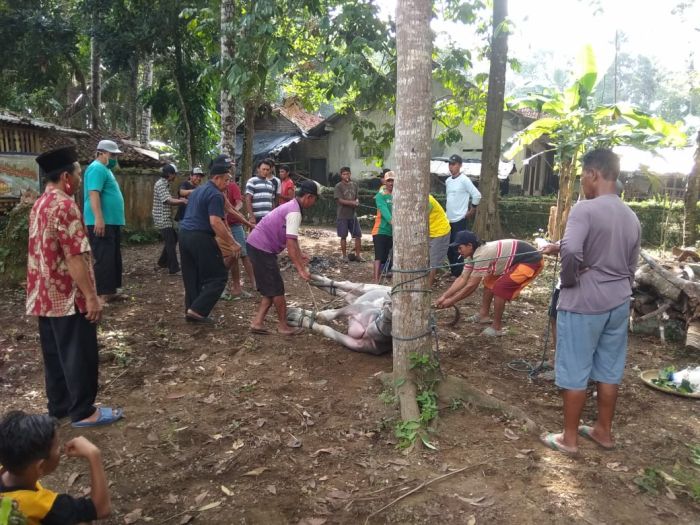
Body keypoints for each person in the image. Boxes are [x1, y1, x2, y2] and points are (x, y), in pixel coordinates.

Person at [540, 149, 641, 456]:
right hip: (618, 301)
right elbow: (630, 265)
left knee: (575, 368)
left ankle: (568, 439)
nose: (582, 181)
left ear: (594, 174)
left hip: (584, 301)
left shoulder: (585, 209)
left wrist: (569, 281)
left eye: (583, 175)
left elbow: (572, 251)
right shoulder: (631, 216)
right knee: (609, 369)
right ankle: (603, 431)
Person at [28, 146, 123, 428]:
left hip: (43, 295)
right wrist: (91, 297)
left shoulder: (39, 204)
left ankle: (59, 407)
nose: (81, 179)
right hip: (67, 296)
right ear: (67, 177)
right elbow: (73, 257)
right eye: (79, 174)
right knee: (79, 353)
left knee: (55, 354)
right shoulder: (66, 206)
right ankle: (83, 411)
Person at [0, 411, 111, 524]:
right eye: (57, 448)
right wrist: (93, 454)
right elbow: (101, 509)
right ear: (41, 466)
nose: (61, 449)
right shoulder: (43, 506)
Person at [436, 231, 544, 337]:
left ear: (469, 245)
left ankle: (496, 328)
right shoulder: (471, 255)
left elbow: (471, 285)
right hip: (510, 261)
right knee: (488, 281)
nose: (458, 251)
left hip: (530, 261)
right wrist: (444, 296)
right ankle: (484, 315)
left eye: (460, 248)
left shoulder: (482, 254)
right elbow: (463, 278)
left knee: (500, 288)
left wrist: (452, 300)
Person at [246, 180, 319, 336]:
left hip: (257, 245)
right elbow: (290, 243)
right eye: (315, 200)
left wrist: (300, 255)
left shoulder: (293, 206)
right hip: (261, 248)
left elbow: (292, 239)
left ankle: (257, 322)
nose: (314, 203)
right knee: (277, 289)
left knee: (270, 288)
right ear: (308, 197)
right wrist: (301, 269)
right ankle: (282, 325)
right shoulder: (294, 212)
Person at [178, 154, 241, 324]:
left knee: (193, 276)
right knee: (218, 276)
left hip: (184, 235)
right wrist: (232, 243)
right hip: (200, 236)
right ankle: (198, 310)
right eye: (226, 180)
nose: (228, 183)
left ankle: (191, 311)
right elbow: (215, 222)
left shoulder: (198, 190)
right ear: (216, 178)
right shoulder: (215, 195)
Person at [82, 139, 126, 304]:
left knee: (113, 257)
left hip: (111, 222)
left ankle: (111, 291)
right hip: (102, 222)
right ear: (102, 153)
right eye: (112, 154)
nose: (115, 157)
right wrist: (99, 218)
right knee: (104, 257)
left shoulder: (105, 169)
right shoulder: (96, 168)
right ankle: (102, 294)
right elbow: (94, 194)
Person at [445, 154, 481, 278]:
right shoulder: (448, 181)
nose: (451, 167)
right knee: (449, 247)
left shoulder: (464, 180)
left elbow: (476, 195)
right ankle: (453, 270)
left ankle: (459, 273)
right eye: (450, 164)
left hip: (460, 218)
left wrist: (472, 209)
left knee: (459, 247)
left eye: (454, 164)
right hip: (448, 219)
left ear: (460, 165)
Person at [224, 176, 256, 299]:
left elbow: (239, 202)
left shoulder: (232, 186)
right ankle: (228, 285)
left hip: (235, 225)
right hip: (222, 225)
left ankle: (254, 281)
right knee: (229, 255)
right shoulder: (215, 190)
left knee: (243, 254)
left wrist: (233, 211)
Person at [152, 163, 187, 275]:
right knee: (170, 242)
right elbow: (168, 200)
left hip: (165, 217)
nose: (175, 176)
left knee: (173, 238)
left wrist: (179, 200)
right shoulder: (161, 184)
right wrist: (182, 201)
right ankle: (174, 269)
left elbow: (170, 199)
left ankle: (162, 262)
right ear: (169, 174)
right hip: (161, 217)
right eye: (174, 174)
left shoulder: (165, 183)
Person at [334, 166, 363, 262]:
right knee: (343, 236)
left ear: (350, 174)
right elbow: (340, 200)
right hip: (342, 215)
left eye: (347, 173)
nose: (346, 175)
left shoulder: (354, 185)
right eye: (344, 174)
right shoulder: (338, 186)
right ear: (341, 175)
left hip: (353, 215)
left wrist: (357, 202)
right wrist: (352, 203)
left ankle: (358, 255)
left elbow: (357, 197)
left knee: (358, 235)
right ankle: (344, 256)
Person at [372, 170, 394, 283]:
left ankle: (383, 277)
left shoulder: (398, 195)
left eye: (393, 180)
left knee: (386, 257)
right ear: (385, 182)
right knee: (379, 256)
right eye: (389, 180)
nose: (391, 183)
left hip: (391, 232)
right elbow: (385, 211)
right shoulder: (380, 196)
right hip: (380, 230)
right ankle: (376, 281)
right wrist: (393, 222)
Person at [427, 194, 451, 287]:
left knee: (434, 260)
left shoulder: (428, 200)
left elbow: (422, 216)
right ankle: (432, 279)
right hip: (429, 231)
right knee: (428, 258)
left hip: (440, 231)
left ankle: (428, 287)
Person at [245, 159, 277, 225]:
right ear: (258, 169)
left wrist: (274, 214)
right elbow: (248, 199)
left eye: (267, 170)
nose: (265, 171)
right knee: (255, 235)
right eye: (263, 169)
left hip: (268, 217)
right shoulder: (252, 181)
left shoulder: (270, 184)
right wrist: (251, 216)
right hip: (256, 217)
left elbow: (272, 201)